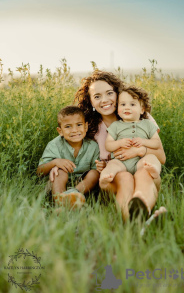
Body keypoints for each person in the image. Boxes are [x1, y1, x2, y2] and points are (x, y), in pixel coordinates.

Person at [51, 70, 166, 220]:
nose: (104, 100)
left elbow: (161, 157)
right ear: (90, 101)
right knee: (124, 178)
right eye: (97, 96)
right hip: (115, 178)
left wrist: (139, 150)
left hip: (145, 172)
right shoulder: (90, 127)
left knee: (144, 174)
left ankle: (138, 217)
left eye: (109, 93)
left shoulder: (138, 114)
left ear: (117, 93)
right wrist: (56, 163)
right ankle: (140, 219)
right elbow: (72, 147)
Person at [99, 86, 162, 197]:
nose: (126, 108)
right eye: (123, 105)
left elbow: (156, 143)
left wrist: (144, 142)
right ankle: (106, 177)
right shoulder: (116, 126)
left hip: (140, 162)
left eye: (132, 104)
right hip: (121, 162)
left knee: (151, 158)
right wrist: (119, 143)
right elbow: (108, 145)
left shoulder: (147, 124)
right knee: (112, 164)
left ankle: (154, 170)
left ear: (142, 109)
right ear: (117, 108)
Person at [37, 106, 100, 209]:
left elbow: (96, 171)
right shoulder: (54, 145)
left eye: (79, 125)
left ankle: (74, 194)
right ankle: (60, 200)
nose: (74, 130)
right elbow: (39, 171)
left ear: (86, 127)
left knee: (94, 173)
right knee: (60, 171)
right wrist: (55, 162)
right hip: (58, 184)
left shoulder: (93, 146)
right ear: (60, 131)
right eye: (68, 127)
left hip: (82, 186)